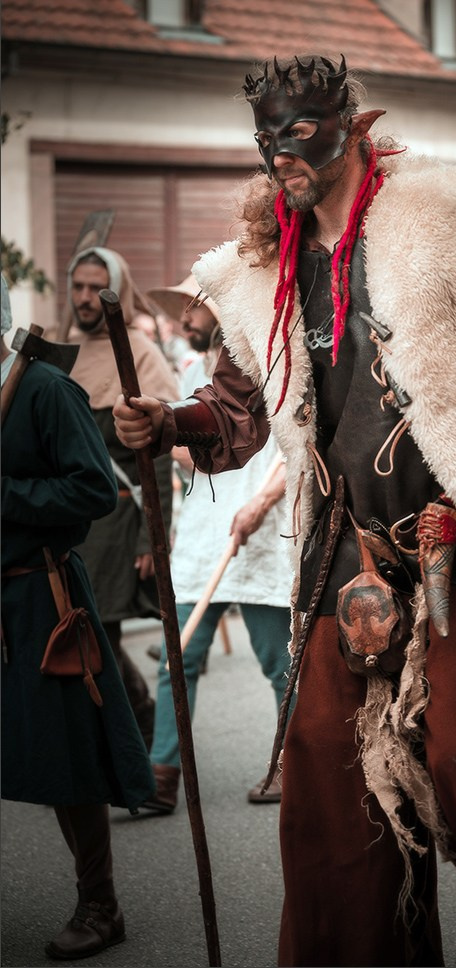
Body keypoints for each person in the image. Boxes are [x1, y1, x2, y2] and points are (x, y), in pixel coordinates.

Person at [112, 56, 456, 967]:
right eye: (266, 136)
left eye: (299, 130)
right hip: (345, 551)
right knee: (326, 769)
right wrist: (166, 423)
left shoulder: (437, 226)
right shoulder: (261, 271)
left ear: (352, 126)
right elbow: (235, 412)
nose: (281, 151)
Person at [1, 276, 155, 960]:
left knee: (66, 755)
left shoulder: (44, 390)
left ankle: (100, 905)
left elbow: (93, 489)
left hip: (42, 597)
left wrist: (4, 494)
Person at [140, 274, 294, 811]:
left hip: (260, 532)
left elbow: (291, 449)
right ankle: (162, 773)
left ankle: (290, 766)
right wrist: (175, 436)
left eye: (194, 307)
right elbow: (183, 448)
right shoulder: (190, 372)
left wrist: (261, 502)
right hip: (204, 537)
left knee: (279, 663)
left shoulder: (263, 366)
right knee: (177, 659)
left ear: (221, 310)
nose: (185, 318)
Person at [67, 247, 180, 750]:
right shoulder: (64, 348)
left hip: (116, 521)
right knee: (80, 633)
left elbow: (155, 457)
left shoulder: (138, 352)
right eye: (78, 286)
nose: (84, 297)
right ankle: (117, 741)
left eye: (95, 287)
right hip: (73, 522)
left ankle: (140, 734)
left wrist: (150, 538)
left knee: (99, 636)